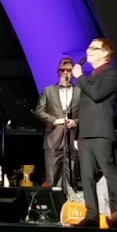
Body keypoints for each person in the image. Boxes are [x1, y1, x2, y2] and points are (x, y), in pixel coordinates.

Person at [71, 38, 117, 226]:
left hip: (100, 132)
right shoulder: (90, 76)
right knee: (87, 175)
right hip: (85, 133)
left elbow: (97, 95)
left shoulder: (110, 73)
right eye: (88, 47)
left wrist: (80, 77)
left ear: (105, 53)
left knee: (109, 172)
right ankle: (91, 217)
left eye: (93, 48)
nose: (88, 51)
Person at [33, 57, 80, 195]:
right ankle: (54, 210)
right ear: (58, 72)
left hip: (73, 139)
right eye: (62, 70)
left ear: (73, 73)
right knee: (53, 177)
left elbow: (87, 113)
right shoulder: (48, 91)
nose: (65, 72)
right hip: (53, 139)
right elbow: (39, 111)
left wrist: (76, 122)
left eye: (69, 70)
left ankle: (71, 209)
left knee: (72, 177)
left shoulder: (80, 91)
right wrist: (55, 120)